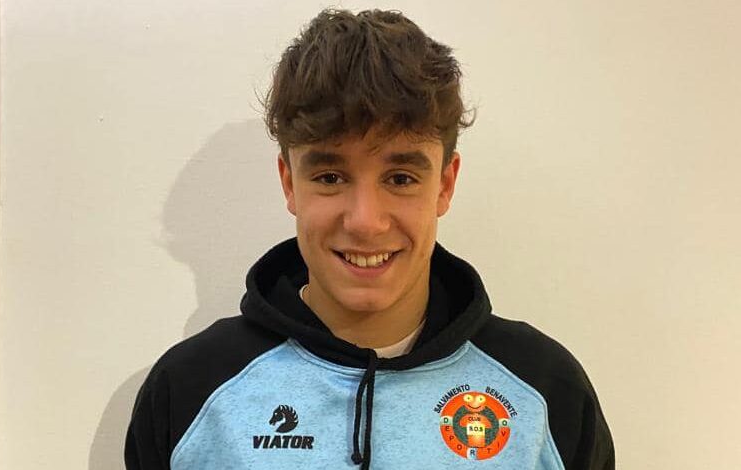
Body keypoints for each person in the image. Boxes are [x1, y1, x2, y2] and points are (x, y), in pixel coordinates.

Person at [125, 8, 614, 470]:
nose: (365, 222)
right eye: (330, 177)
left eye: (400, 178)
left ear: (444, 185)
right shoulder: (191, 387)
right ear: (289, 183)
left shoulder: (545, 390)